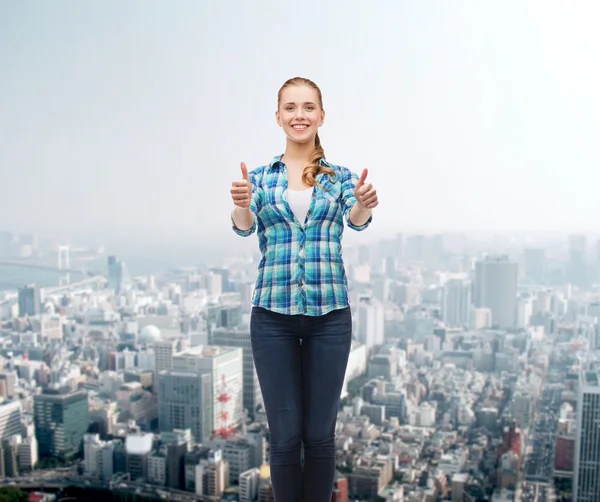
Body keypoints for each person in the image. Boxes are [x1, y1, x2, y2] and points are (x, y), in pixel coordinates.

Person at [229, 76, 378, 502]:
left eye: (308, 107)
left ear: (321, 116)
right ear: (278, 117)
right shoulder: (259, 178)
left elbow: (358, 220)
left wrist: (365, 201)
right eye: (290, 108)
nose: (299, 115)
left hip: (330, 317)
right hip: (271, 317)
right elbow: (243, 229)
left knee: (319, 436)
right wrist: (241, 205)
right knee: (284, 437)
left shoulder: (341, 177)